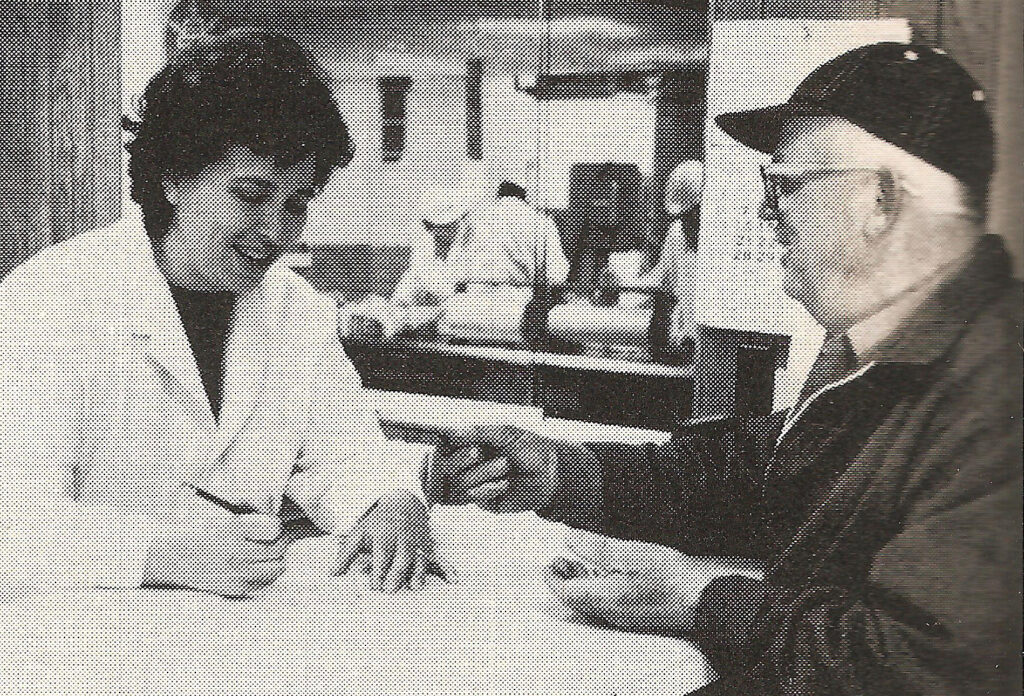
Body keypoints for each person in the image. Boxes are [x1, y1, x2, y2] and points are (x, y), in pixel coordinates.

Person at [428, 43, 1022, 694]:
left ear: (879, 199)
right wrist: (563, 474)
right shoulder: (881, 353)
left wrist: (702, 598)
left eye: (784, 185)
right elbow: (746, 479)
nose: (768, 213)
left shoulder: (998, 391)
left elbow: (919, 666)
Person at [0, 31, 438, 597]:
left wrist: (383, 507)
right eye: (254, 196)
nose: (280, 227)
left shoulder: (293, 311)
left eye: (299, 202)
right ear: (176, 178)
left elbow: (344, 453)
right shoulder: (53, 299)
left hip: (248, 642)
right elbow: (14, 518)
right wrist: (160, 552)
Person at [342, 179, 569, 341]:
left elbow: (446, 282)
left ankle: (365, 319)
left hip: (468, 312)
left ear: (499, 192)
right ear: (524, 194)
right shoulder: (542, 221)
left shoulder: (484, 220)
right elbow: (557, 275)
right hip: (519, 313)